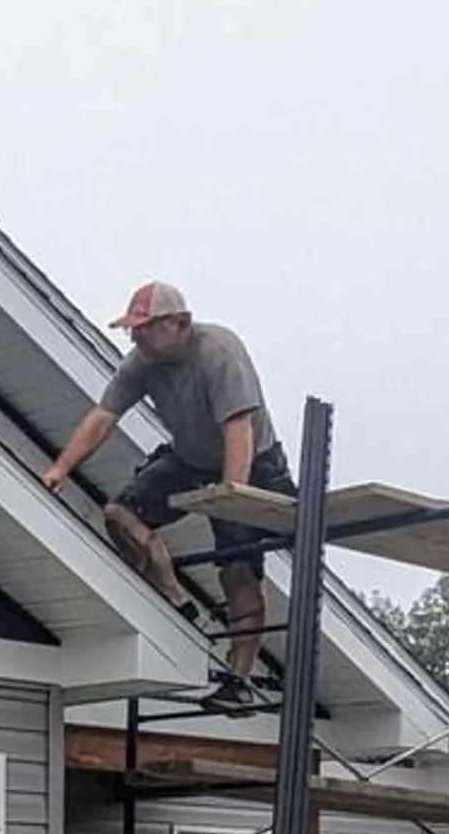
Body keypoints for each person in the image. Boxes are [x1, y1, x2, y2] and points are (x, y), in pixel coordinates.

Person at [38, 280, 292, 698]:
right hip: (190, 458)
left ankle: (240, 682)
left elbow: (238, 431)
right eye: (132, 330)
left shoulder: (218, 352)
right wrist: (60, 468)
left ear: (180, 323)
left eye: (145, 328)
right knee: (121, 513)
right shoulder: (142, 363)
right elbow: (104, 416)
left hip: (253, 463)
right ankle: (175, 596)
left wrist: (230, 497)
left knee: (238, 567)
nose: (137, 337)